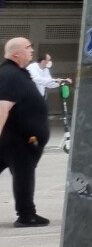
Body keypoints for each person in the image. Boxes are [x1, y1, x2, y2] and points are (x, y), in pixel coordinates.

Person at [0, 36, 50, 227]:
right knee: (24, 175)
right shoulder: (10, 75)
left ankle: (27, 213)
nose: (31, 50)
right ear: (16, 53)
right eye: (28, 47)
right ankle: (27, 215)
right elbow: (2, 108)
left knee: (23, 174)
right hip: (18, 141)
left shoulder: (17, 73)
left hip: (15, 139)